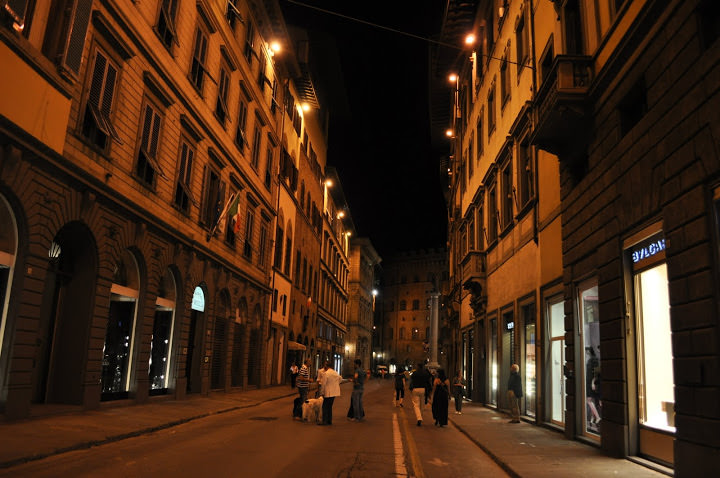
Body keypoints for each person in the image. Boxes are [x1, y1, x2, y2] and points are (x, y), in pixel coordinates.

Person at [409, 362, 432, 426]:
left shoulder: (415, 373)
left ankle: (419, 418)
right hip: (423, 389)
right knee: (422, 405)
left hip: (415, 389)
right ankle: (420, 417)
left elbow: (411, 381)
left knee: (416, 405)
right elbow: (429, 381)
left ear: (418, 366)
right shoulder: (425, 373)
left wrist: (410, 388)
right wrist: (429, 391)